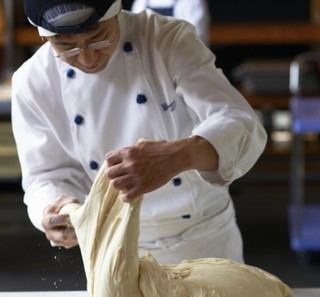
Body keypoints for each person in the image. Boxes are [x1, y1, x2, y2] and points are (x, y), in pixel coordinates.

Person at [11, 0, 267, 265]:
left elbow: (241, 121)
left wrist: (180, 155)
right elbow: (45, 175)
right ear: (44, 36)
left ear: (118, 12)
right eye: (66, 46)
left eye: (98, 38)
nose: (86, 58)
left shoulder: (167, 39)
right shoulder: (33, 81)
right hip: (113, 245)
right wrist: (59, 209)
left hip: (203, 237)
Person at [131, 0, 210, 45]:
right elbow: (136, 36)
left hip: (188, 64)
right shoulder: (141, 2)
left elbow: (194, 38)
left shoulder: (192, 2)